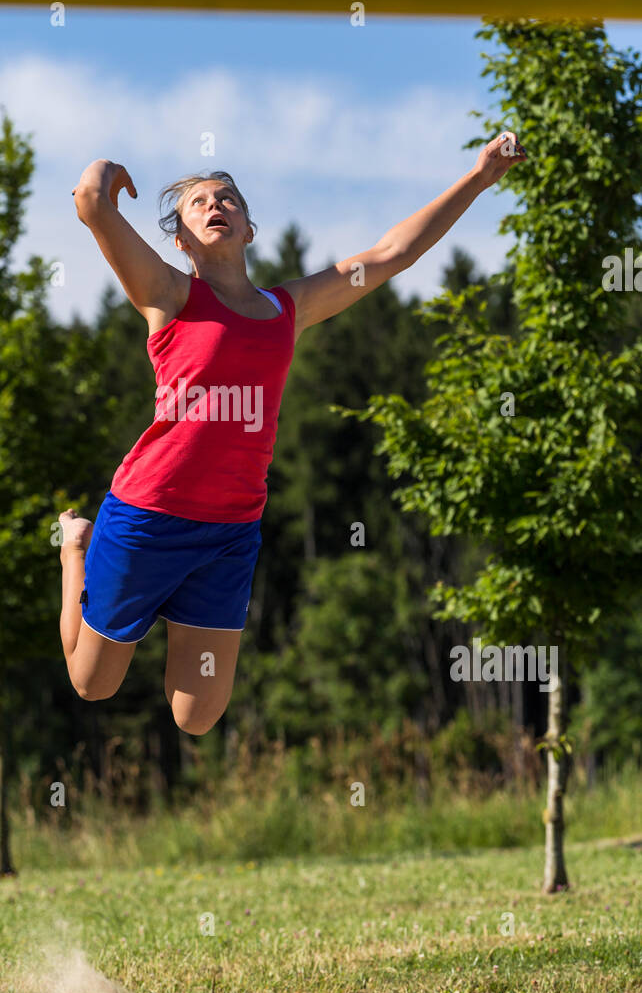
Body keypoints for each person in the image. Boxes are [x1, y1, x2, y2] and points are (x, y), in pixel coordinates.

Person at [59, 132, 526, 734]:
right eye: (198, 204)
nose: (214, 206)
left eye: (227, 198)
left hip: (229, 531)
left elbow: (393, 253)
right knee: (93, 684)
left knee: (197, 717)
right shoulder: (170, 295)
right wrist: (111, 168)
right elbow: (91, 203)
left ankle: (159, 595)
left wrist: (481, 176)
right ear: (179, 241)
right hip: (148, 513)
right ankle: (76, 545)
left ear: (249, 228)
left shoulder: (289, 309)